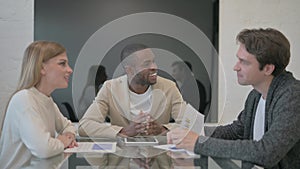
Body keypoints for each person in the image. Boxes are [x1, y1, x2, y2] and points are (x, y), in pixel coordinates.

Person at [167, 28, 300, 169]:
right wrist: (193, 131)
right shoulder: (255, 95)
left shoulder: (293, 96)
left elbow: (267, 152)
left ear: (268, 69)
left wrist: (198, 142)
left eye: (244, 62)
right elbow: (237, 131)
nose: (235, 67)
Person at [78, 43, 185, 138]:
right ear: (129, 69)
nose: (154, 67)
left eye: (154, 61)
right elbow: (85, 125)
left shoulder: (169, 87)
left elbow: (192, 123)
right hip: (122, 157)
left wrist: (162, 130)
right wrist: (124, 131)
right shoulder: (110, 87)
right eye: (146, 64)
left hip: (159, 156)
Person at [0, 41, 78, 169]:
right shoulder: (24, 99)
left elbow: (68, 126)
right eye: (62, 63)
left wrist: (69, 136)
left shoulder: (46, 99)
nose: (70, 70)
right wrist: (62, 141)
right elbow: (44, 149)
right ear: (42, 68)